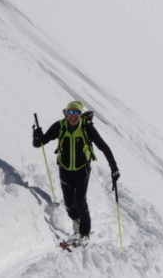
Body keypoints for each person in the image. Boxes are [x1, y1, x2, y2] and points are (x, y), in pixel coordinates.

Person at [33, 100, 120, 240]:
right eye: (71, 112)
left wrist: (114, 167)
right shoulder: (60, 126)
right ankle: (77, 221)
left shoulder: (87, 128)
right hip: (65, 169)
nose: (73, 116)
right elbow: (39, 143)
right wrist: (37, 135)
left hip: (82, 169)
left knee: (80, 200)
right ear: (66, 113)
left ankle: (85, 234)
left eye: (77, 113)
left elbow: (103, 147)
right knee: (68, 203)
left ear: (80, 115)